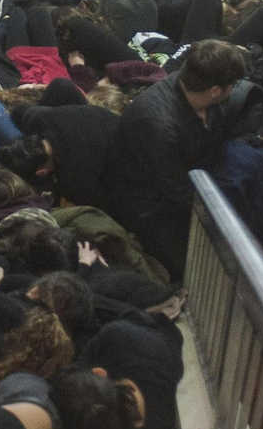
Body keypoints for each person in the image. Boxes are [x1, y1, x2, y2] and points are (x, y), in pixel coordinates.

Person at [103, 39, 245, 280]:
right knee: (210, 268)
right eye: (233, 84)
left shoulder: (202, 96)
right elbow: (177, 192)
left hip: (185, 185)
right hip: (149, 208)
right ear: (215, 91)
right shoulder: (158, 124)